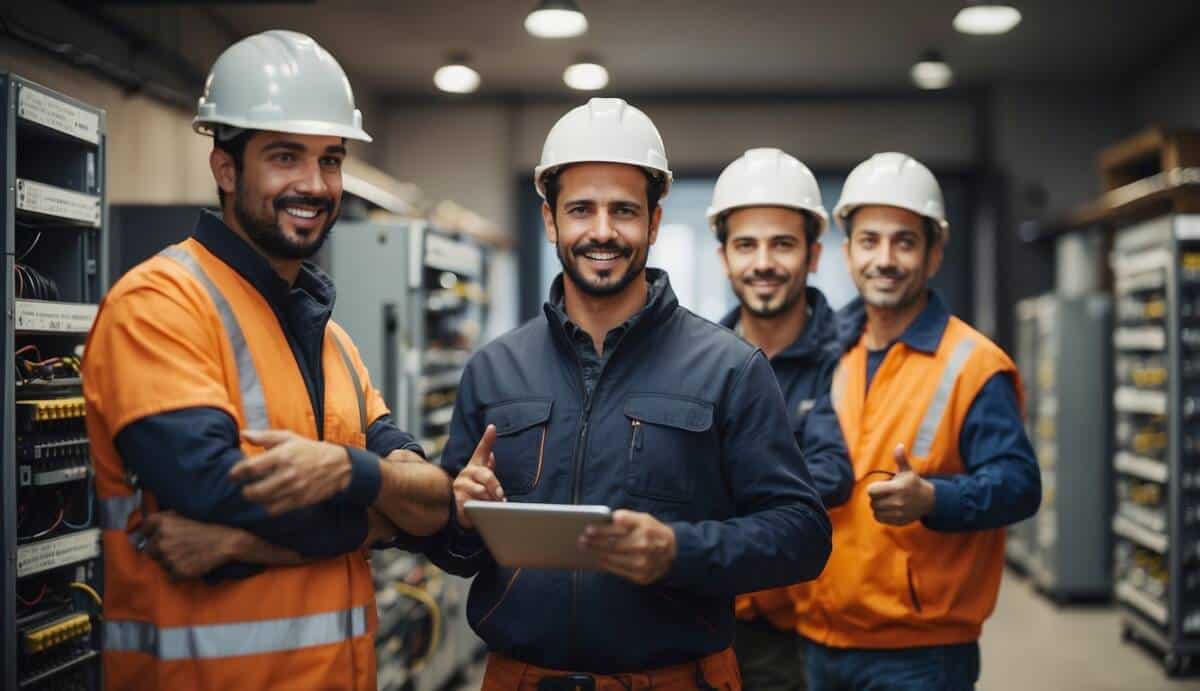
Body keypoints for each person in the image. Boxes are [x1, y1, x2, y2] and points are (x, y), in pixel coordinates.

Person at [82, 30, 452, 690]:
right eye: (286, 157)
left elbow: (435, 505)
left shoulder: (332, 340)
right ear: (226, 167)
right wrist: (382, 508)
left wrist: (344, 482)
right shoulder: (160, 303)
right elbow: (215, 498)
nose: (314, 184)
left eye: (331, 159)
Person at [428, 98, 832, 690]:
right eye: (581, 209)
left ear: (655, 221)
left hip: (675, 679)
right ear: (550, 221)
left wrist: (680, 549)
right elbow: (451, 552)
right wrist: (461, 519)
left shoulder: (729, 367)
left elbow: (802, 535)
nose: (602, 231)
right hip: (522, 679)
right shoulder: (495, 369)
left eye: (623, 210)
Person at [794, 152, 1041, 690]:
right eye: (870, 240)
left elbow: (1020, 486)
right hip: (818, 635)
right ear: (848, 251)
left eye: (904, 242)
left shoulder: (973, 364)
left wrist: (934, 499)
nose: (885, 258)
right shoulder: (825, 350)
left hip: (920, 654)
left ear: (934, 254)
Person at [709, 148, 853, 690]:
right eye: (746, 244)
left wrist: (713, 491)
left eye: (782, 244)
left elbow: (832, 475)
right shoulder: (698, 362)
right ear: (723, 256)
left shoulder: (851, 357)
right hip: (709, 612)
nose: (762, 262)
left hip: (811, 626)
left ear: (814, 255)